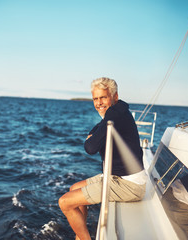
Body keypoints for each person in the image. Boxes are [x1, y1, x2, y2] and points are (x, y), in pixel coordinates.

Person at [58, 77, 147, 240]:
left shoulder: (114, 113)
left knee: (64, 202)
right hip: (117, 176)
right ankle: (80, 236)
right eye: (95, 98)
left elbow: (90, 147)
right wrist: (93, 136)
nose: (99, 103)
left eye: (103, 97)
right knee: (73, 189)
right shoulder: (118, 111)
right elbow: (95, 132)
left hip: (129, 184)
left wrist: (91, 138)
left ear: (115, 96)